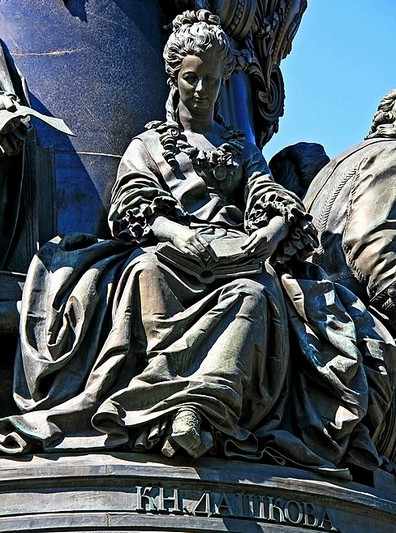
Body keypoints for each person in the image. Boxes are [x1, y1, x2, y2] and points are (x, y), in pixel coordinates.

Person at [0, 10, 394, 478]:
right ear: (174, 79)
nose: (203, 90)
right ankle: (149, 397)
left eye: (211, 79)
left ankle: (198, 408)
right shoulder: (150, 144)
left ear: (225, 78)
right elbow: (133, 198)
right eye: (192, 79)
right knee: (143, 274)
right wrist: (179, 235)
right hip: (173, 252)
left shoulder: (237, 147)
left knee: (253, 294)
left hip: (237, 256)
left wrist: (263, 241)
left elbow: (268, 196)